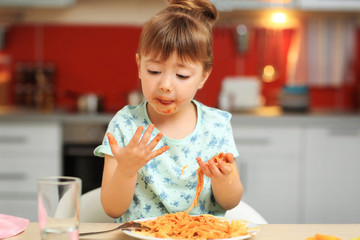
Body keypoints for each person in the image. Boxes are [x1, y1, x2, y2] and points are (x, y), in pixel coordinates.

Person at [94, 0, 243, 223]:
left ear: (203, 75)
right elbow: (112, 209)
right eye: (154, 70)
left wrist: (222, 180)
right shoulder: (126, 124)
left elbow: (230, 202)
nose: (165, 84)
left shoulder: (216, 125)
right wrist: (126, 170)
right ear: (139, 66)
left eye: (181, 76)